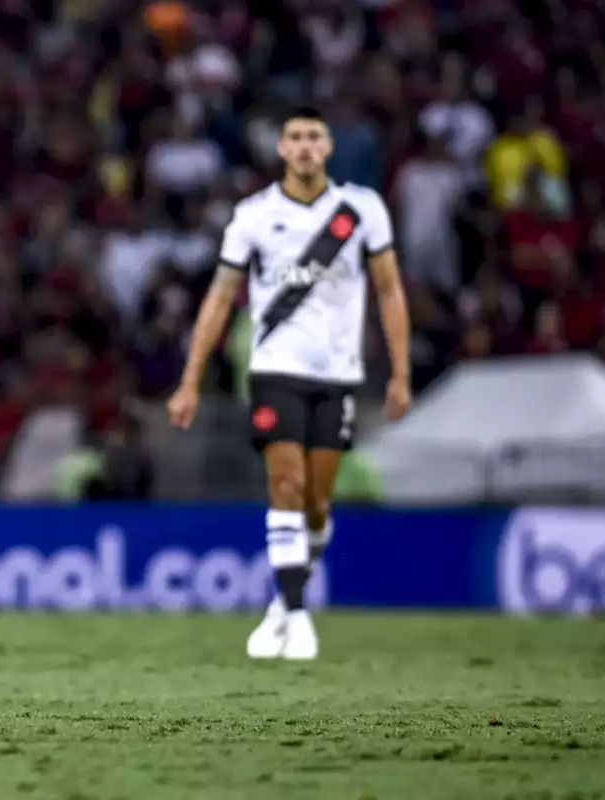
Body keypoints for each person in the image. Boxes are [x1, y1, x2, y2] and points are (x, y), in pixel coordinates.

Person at [167, 106, 411, 660]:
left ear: (328, 148)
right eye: (294, 137)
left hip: (338, 373)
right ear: (280, 148)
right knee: (286, 485)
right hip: (275, 369)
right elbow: (221, 297)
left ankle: (283, 602)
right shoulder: (253, 216)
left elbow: (390, 290)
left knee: (318, 504)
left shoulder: (362, 210)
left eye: (314, 137)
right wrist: (190, 380)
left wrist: (399, 373)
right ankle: (300, 617)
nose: (304, 146)